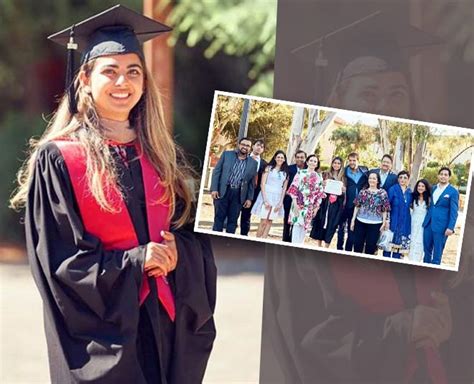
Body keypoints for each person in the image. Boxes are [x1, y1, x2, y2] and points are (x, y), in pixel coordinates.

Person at [9, 5, 216, 383]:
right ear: (85, 78)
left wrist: (176, 256)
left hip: (164, 332)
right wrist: (135, 263)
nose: (124, 82)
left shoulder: (157, 154)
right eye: (111, 71)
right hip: (105, 337)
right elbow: (60, 264)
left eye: (133, 71)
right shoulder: (59, 159)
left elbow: (192, 237)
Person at [210, 137, 258, 233]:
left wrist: (249, 198)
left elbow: (251, 183)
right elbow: (217, 172)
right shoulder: (227, 155)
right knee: (218, 218)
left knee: (232, 221)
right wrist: (214, 189)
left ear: (250, 148)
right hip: (223, 191)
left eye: (248, 146)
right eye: (243, 144)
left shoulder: (253, 163)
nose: (245, 147)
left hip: (239, 195)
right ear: (239, 145)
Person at [423, 167, 459, 265]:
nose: (443, 176)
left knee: (437, 254)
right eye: (441, 174)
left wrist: (450, 227)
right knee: (426, 251)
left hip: (441, 227)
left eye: (445, 175)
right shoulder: (433, 188)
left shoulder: (453, 192)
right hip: (428, 223)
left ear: (449, 177)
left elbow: (454, 211)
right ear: (438, 176)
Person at [287, 154, 326, 244]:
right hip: (298, 203)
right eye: (311, 160)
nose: (313, 162)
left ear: (317, 164)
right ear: (307, 162)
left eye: (315, 161)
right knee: (296, 225)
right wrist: (295, 204)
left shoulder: (318, 176)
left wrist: (316, 207)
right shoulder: (300, 173)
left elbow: (319, 193)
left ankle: (299, 248)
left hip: (310, 206)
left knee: (304, 227)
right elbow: (294, 188)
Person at [351, 171, 390, 255]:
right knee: (357, 245)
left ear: (378, 181)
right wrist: (353, 220)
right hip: (360, 221)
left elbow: (385, 209)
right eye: (370, 178)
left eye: (374, 178)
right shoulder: (363, 192)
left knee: (371, 247)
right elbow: (357, 206)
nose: (371, 180)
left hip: (375, 224)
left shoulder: (382, 193)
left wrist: (383, 223)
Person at [251, 150, 289, 238]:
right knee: (264, 220)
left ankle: (264, 239)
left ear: (284, 160)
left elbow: (284, 188)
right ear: (275, 158)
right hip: (266, 195)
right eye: (278, 157)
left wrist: (280, 203)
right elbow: (262, 184)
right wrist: (265, 200)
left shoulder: (286, 172)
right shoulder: (268, 168)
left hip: (277, 197)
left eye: (282, 158)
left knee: (270, 220)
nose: (280, 159)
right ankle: (257, 239)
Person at [310, 156, 346, 247]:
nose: (336, 165)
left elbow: (344, 194)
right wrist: (322, 184)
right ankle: (319, 245)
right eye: (335, 163)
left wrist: (344, 191)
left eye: (338, 163)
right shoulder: (325, 174)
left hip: (336, 205)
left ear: (341, 165)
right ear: (332, 164)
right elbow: (318, 187)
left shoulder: (344, 178)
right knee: (321, 222)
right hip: (324, 202)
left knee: (331, 224)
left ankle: (327, 246)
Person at [337, 152, 368, 251]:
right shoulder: (344, 171)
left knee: (352, 228)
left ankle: (348, 250)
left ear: (358, 160)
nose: (352, 162)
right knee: (341, 228)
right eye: (350, 160)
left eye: (354, 160)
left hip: (356, 206)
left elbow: (367, 184)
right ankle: (339, 248)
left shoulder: (364, 172)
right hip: (345, 203)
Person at [240, 139, 267, 235]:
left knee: (246, 216)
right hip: (239, 190)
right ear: (253, 146)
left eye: (262, 147)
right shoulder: (243, 158)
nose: (259, 147)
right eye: (258, 145)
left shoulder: (264, 164)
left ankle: (243, 236)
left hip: (253, 193)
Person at [383, 171, 412, 259]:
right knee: (388, 248)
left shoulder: (409, 192)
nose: (402, 179)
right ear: (398, 179)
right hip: (393, 221)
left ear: (408, 180)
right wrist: (387, 220)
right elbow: (386, 205)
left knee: (398, 251)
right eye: (400, 177)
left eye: (405, 178)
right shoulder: (393, 189)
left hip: (404, 223)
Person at [282, 150, 307, 242]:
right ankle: (285, 241)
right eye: (298, 157)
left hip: (302, 201)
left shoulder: (309, 170)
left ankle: (293, 240)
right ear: (295, 158)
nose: (300, 159)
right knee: (287, 221)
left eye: (302, 157)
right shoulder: (289, 168)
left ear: (305, 158)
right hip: (289, 198)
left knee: (297, 222)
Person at [409, 179, 431, 263]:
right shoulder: (413, 197)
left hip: (423, 224)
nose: (420, 188)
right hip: (413, 222)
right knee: (412, 241)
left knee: (420, 242)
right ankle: (410, 261)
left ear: (426, 188)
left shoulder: (429, 199)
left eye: (422, 186)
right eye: (419, 186)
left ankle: (417, 262)